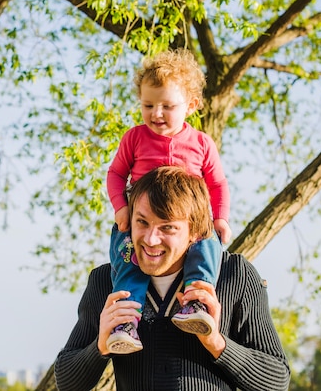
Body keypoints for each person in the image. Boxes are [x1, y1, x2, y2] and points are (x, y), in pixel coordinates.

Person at [55, 166, 290, 391]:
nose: (150, 239)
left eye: (167, 228)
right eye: (142, 222)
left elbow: (277, 380)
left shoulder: (235, 275)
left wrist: (216, 343)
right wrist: (100, 346)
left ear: (195, 232)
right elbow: (66, 381)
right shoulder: (105, 281)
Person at [106, 48, 231, 353]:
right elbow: (115, 174)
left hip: (192, 221)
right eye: (148, 105)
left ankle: (196, 302)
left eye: (167, 106)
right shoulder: (134, 138)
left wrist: (220, 218)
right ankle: (126, 323)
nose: (156, 113)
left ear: (191, 105)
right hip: (138, 220)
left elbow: (217, 183)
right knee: (129, 264)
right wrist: (121, 208)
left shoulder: (201, 143)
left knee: (206, 249)